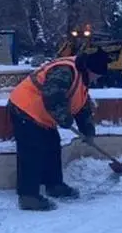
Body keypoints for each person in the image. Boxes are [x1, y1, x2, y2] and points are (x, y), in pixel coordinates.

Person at [7, 48, 111, 211]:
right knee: (31, 151)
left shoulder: (81, 78)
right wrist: (64, 118)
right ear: (89, 69)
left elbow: (82, 107)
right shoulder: (65, 70)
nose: (97, 79)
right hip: (24, 108)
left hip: (42, 115)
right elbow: (53, 96)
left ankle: (54, 185)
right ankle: (28, 196)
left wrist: (88, 131)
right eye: (96, 75)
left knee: (52, 146)